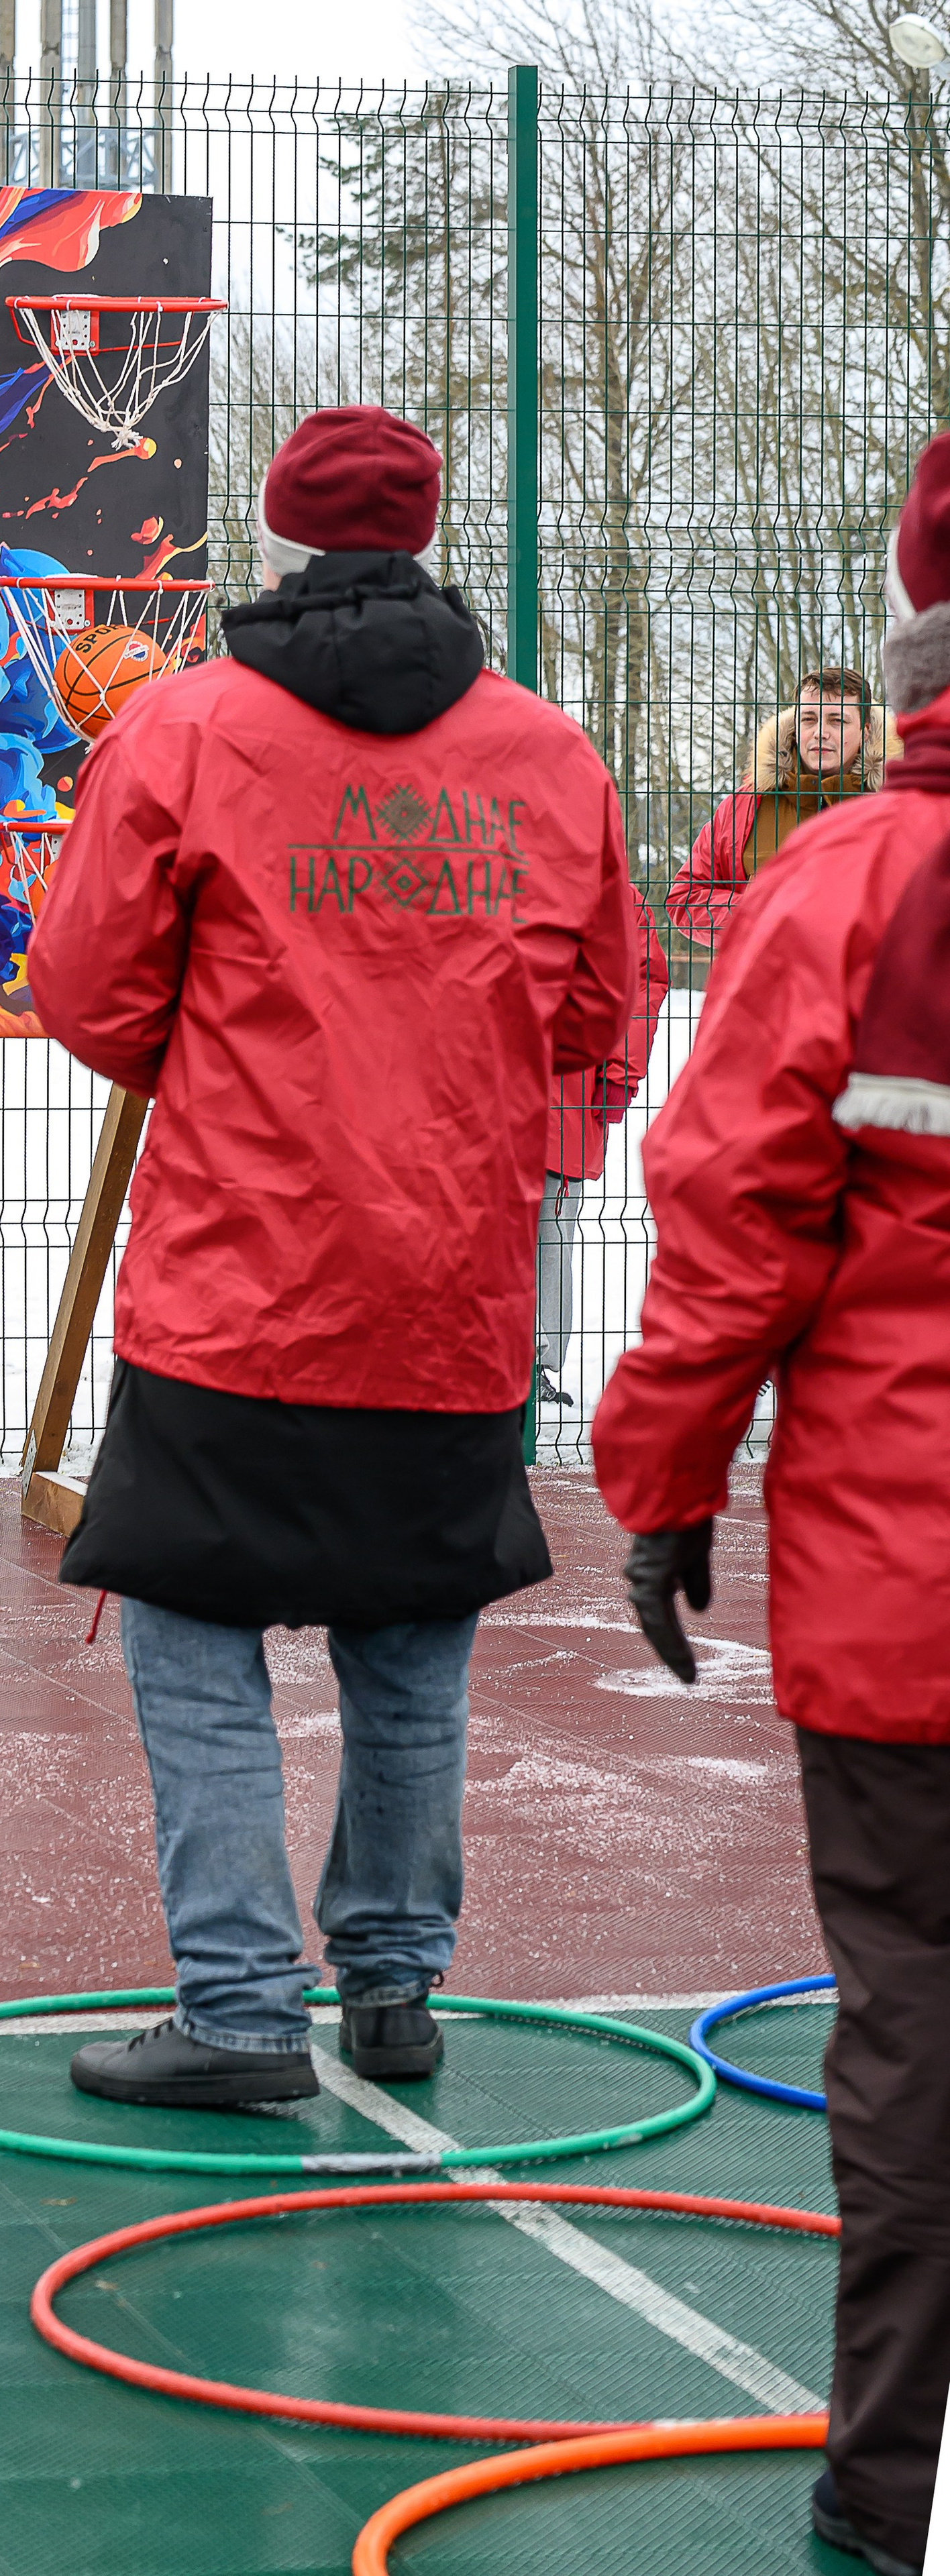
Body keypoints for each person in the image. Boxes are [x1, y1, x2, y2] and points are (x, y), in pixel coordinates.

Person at [26, 405, 638, 2109]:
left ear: (282, 535)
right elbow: (599, 1009)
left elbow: (85, 990)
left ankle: (233, 2004)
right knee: (409, 1631)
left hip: (240, 1270)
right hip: (446, 1283)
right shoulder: (547, 754)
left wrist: (215, 1054)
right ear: (427, 529)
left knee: (185, 1626)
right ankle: (388, 1980)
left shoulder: (189, 724)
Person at [593, 433, 950, 2576]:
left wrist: (659, 1486)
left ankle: (891, 2478)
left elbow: (730, 1227)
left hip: (906, 1574)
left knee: (907, 2004)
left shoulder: (844, 887)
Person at [537, 881, 668, 1406]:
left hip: (564, 1091)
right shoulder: (479, 864)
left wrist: (622, 1072)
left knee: (549, 1223)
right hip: (477, 1087)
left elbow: (641, 983)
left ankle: (537, 1365)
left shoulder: (612, 890)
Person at [664, 666, 888, 948]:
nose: (821, 733)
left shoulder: (894, 805)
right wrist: (764, 915)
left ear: (865, 731)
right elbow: (686, 897)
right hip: (766, 984)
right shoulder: (746, 804)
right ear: (795, 727)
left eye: (837, 721)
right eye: (809, 719)